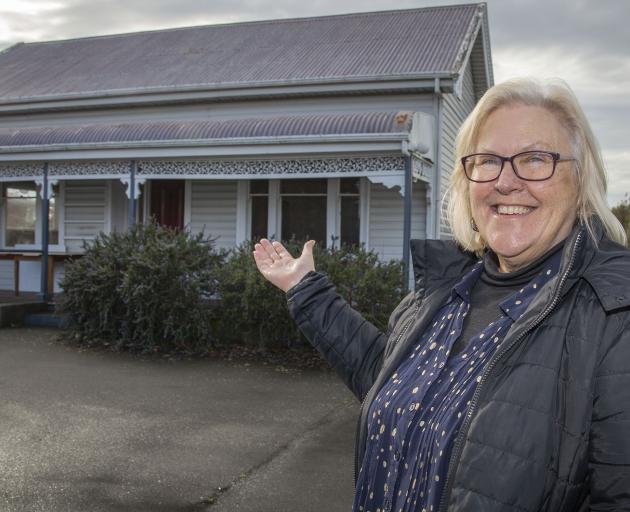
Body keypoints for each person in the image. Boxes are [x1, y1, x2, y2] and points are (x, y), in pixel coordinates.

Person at [252, 77, 630, 512]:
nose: (506, 182)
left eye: (534, 159)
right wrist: (307, 291)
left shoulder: (613, 314)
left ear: (580, 181)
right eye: (488, 161)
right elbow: (389, 379)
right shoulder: (446, 287)